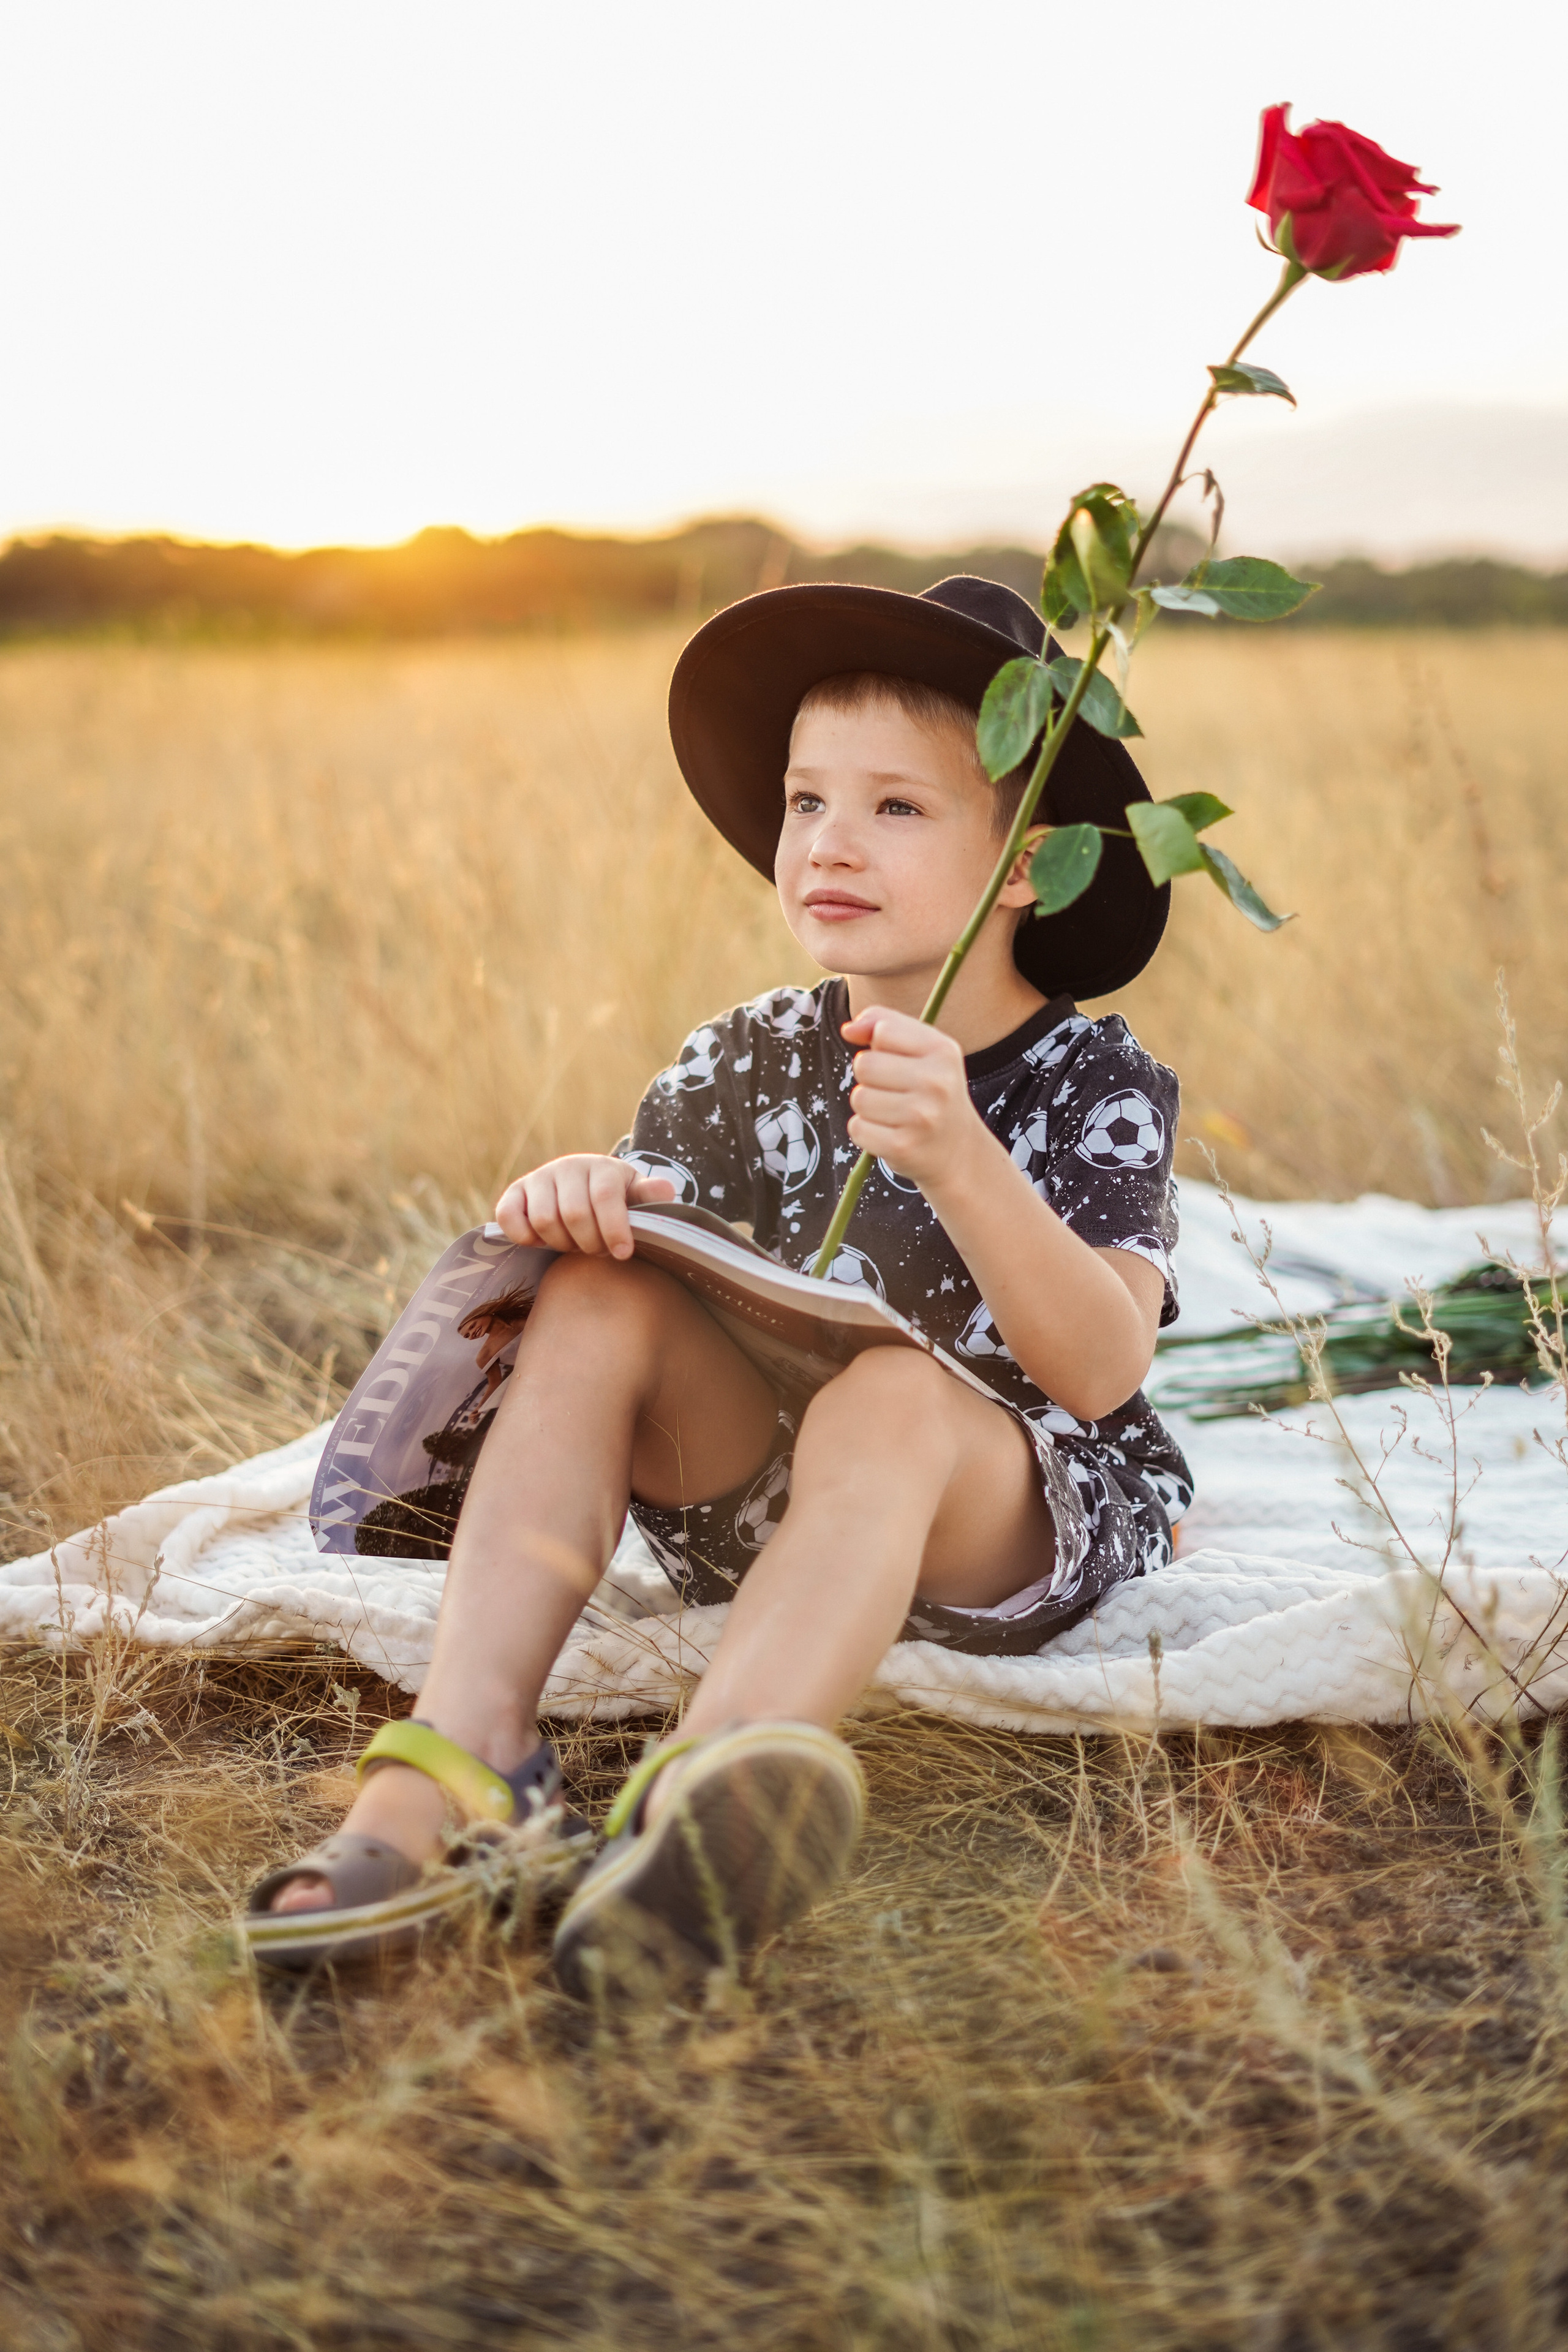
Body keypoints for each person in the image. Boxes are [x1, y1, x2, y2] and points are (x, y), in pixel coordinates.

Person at [245, 576, 1193, 1992]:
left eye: (895, 807)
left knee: (890, 1392)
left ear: (1024, 869)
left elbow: (1103, 1368)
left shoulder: (1092, 1080)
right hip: (753, 1499)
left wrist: (961, 1159)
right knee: (602, 1294)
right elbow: (664, 1270)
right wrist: (582, 1207)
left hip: (998, 1510)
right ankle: (464, 1760)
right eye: (806, 802)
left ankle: (695, 1804)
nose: (826, 842)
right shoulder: (744, 1053)